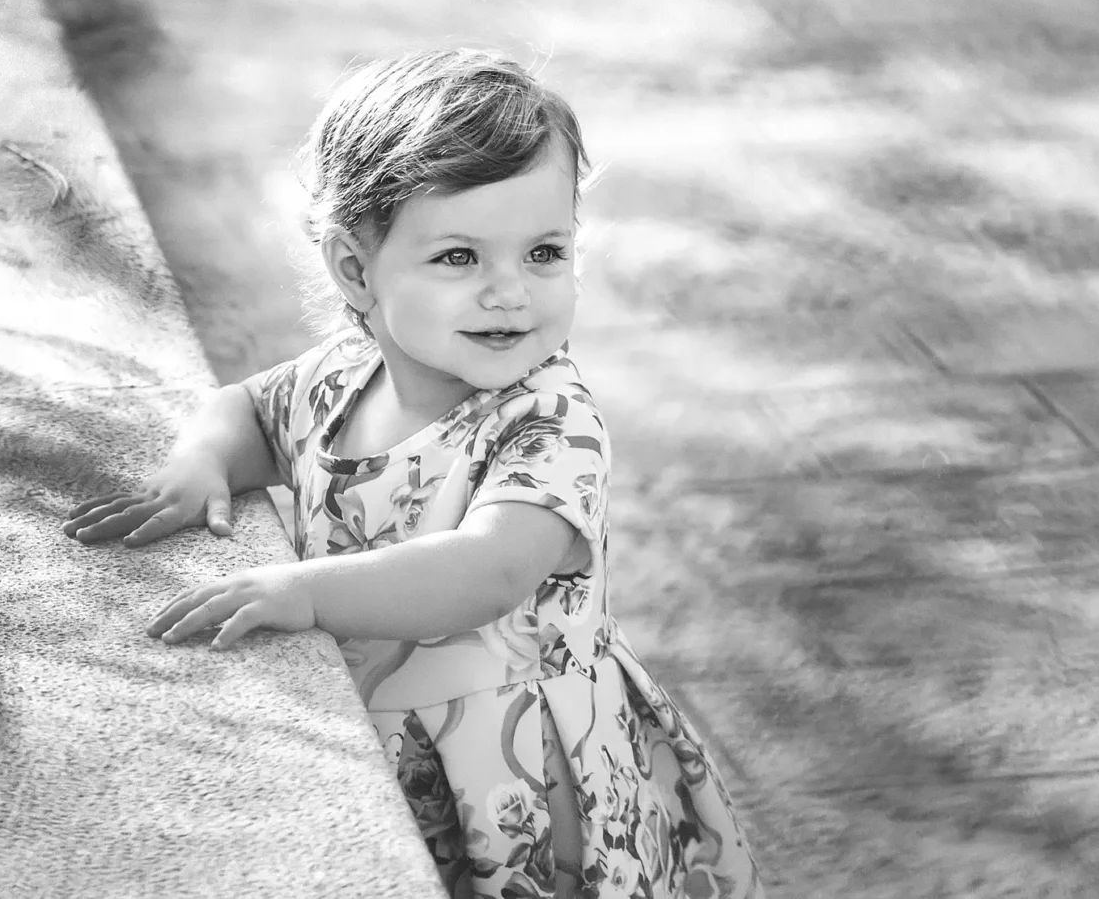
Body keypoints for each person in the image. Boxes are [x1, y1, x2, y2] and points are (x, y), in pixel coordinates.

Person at [61, 48, 765, 899]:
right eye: (460, 258)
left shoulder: (549, 418)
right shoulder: (343, 376)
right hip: (398, 742)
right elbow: (249, 409)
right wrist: (199, 463)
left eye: (544, 252)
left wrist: (308, 591)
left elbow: (488, 570)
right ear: (356, 269)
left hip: (522, 775)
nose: (510, 292)